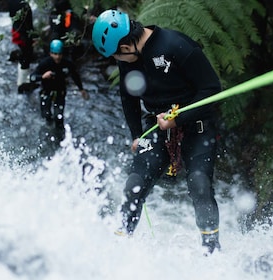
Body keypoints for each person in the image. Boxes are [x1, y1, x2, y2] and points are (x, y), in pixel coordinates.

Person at [92, 10, 222, 254]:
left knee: (200, 184)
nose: (117, 60)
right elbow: (128, 96)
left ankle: (211, 251)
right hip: (158, 128)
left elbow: (212, 89)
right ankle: (119, 244)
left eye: (117, 54)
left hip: (197, 125)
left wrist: (179, 118)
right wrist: (136, 135)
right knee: (134, 185)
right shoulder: (127, 59)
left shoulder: (176, 46)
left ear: (126, 44)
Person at [30, 39, 89, 136]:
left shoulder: (67, 63)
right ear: (50, 53)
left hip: (60, 92)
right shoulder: (45, 63)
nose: (57, 57)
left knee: (59, 117)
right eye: (55, 54)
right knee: (46, 115)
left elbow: (75, 75)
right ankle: (48, 134)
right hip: (46, 92)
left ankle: (60, 137)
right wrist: (42, 76)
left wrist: (81, 89)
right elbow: (32, 77)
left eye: (59, 54)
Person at [8, 0, 35, 93]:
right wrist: (27, 37)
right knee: (25, 57)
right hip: (22, 35)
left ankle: (23, 82)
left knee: (25, 57)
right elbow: (19, 21)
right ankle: (22, 84)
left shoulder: (17, 3)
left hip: (22, 33)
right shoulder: (18, 4)